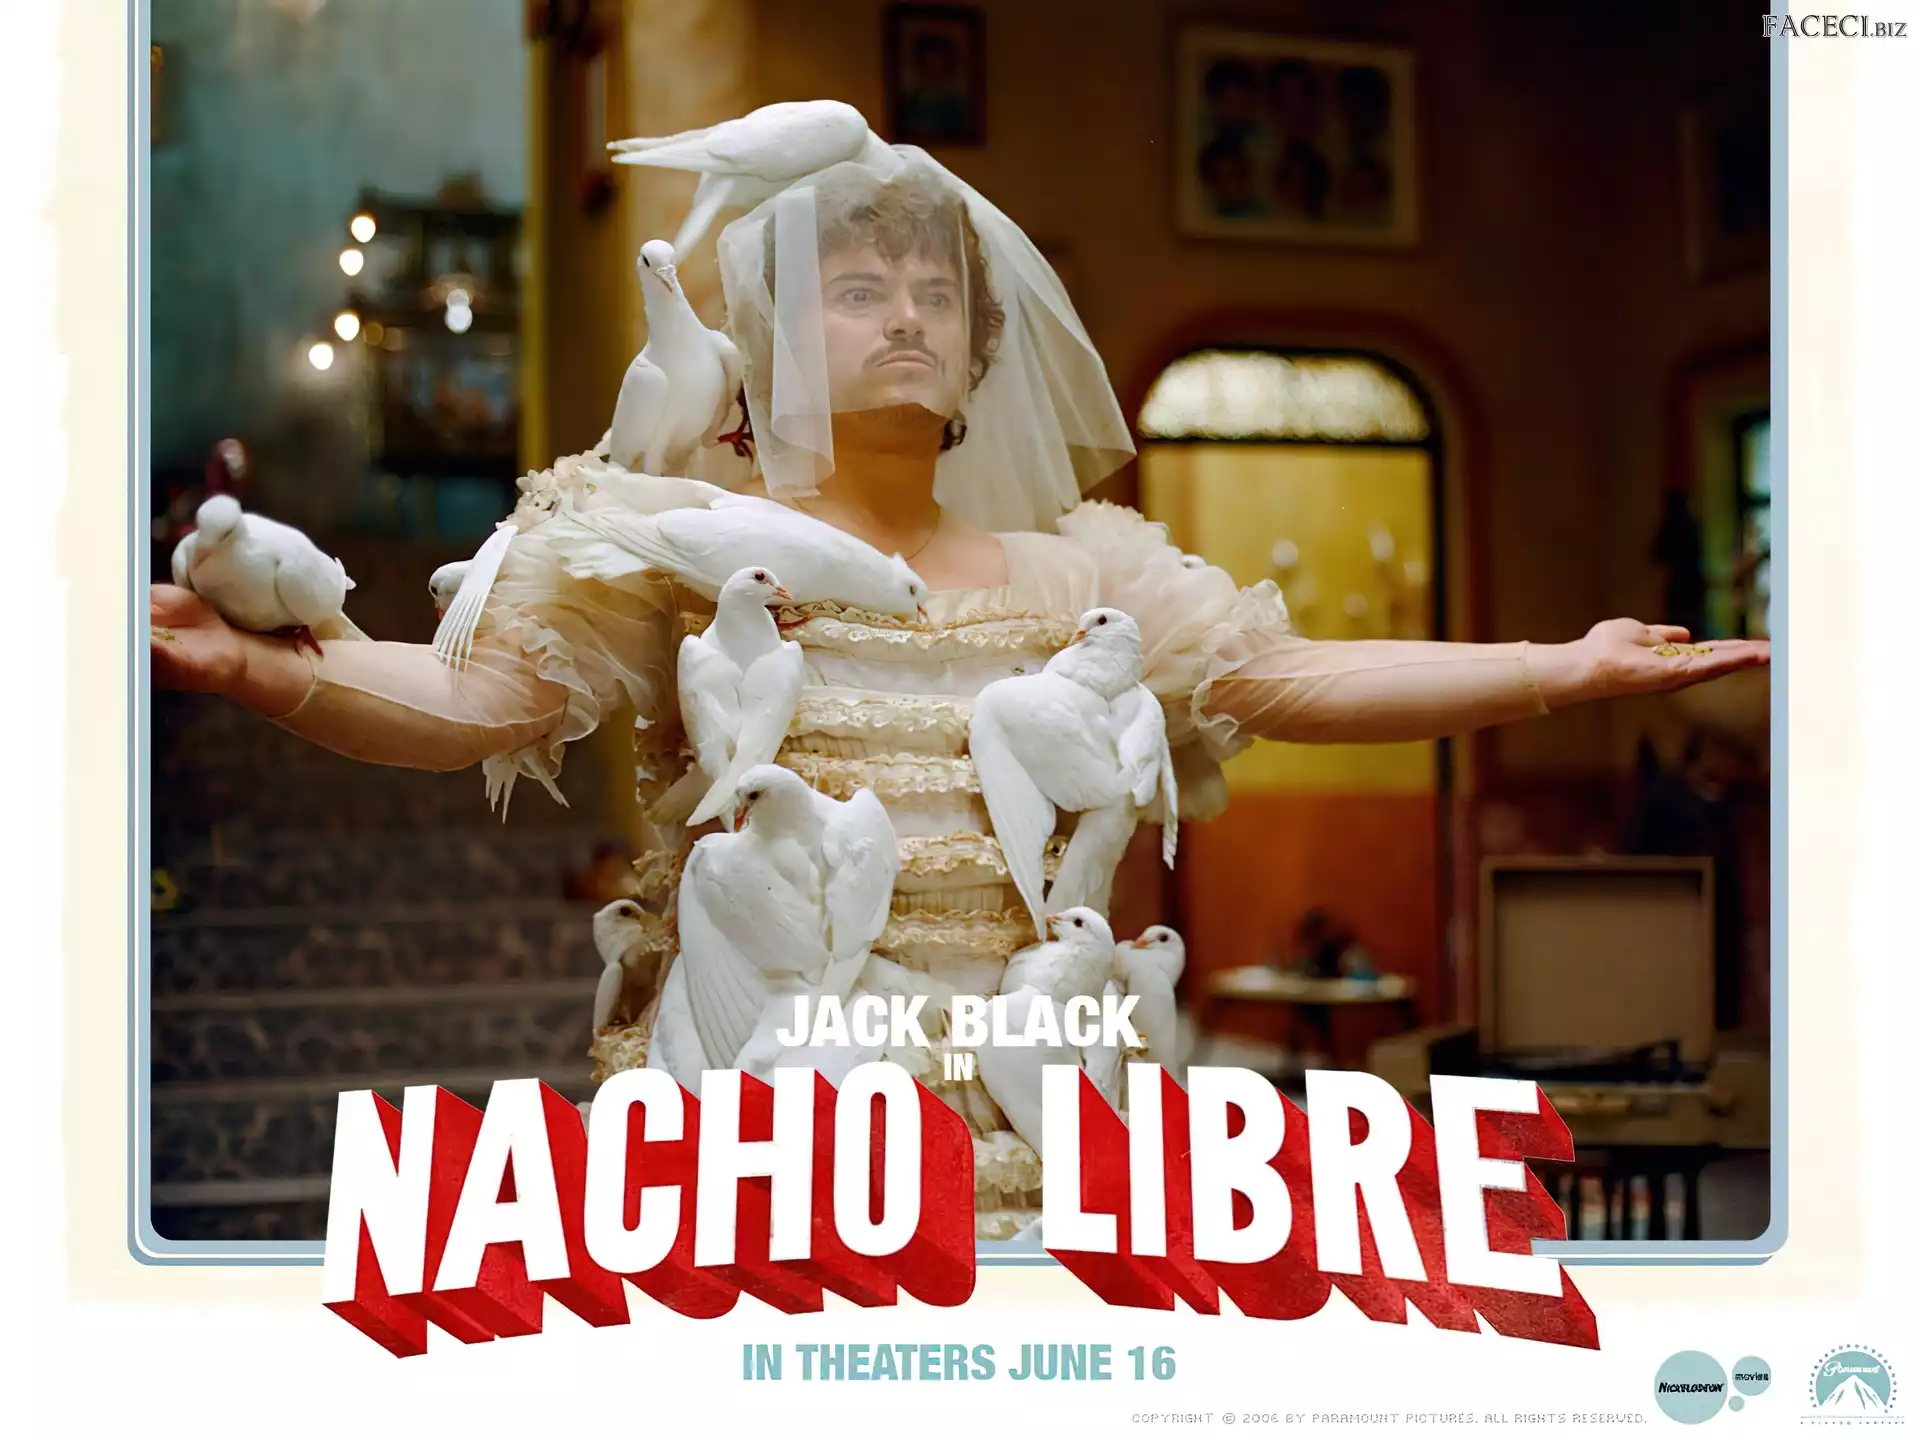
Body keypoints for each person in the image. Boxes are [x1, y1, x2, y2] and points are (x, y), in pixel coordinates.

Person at [149, 141, 1767, 1238]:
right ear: (776, 334)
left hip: (1042, 1118)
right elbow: (482, 702)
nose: (908, 315)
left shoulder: (1079, 573)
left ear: (984, 346)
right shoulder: (677, 543)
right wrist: (269, 674)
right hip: (773, 1114)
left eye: (935, 293)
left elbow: (1284, 675)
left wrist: (1562, 668)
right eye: (861, 290)